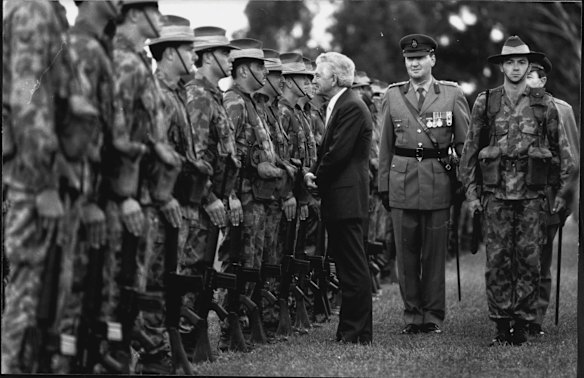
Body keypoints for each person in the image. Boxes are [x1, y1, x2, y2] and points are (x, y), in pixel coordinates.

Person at [2, 0, 98, 373]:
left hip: (49, 172)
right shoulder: (33, 11)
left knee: (48, 299)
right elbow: (25, 93)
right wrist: (44, 182)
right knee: (29, 301)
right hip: (34, 177)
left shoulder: (51, 13)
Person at [459, 36, 574, 346]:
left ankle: (521, 325)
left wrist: (561, 197)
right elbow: (470, 151)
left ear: (528, 65)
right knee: (496, 261)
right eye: (509, 62)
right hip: (495, 195)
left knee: (529, 260)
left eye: (521, 62)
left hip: (532, 196)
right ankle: (500, 325)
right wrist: (472, 195)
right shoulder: (486, 102)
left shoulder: (544, 103)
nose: (515, 67)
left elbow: (564, 155)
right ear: (501, 66)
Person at [104, 0, 183, 372]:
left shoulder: (137, 63)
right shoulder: (120, 62)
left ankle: (140, 358)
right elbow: (111, 137)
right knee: (116, 293)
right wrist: (123, 196)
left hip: (141, 195)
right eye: (154, 10)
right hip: (123, 198)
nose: (161, 18)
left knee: (132, 289)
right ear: (134, 14)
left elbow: (143, 135)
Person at [378, 34, 470, 335]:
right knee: (405, 255)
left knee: (433, 254)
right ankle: (412, 314)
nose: (414, 63)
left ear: (432, 59)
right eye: (409, 59)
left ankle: (432, 316)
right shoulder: (392, 96)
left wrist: (463, 182)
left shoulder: (452, 95)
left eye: (420, 58)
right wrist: (384, 185)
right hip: (402, 181)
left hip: (437, 181)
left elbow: (464, 146)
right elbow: (384, 147)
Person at [56, 0, 122, 373]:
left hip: (92, 193)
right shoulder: (73, 49)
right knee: (66, 297)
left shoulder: (99, 50)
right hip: (69, 195)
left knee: (89, 293)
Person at [305, 51, 373, 344]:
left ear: (335, 78)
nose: (314, 78)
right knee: (348, 267)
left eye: (319, 74)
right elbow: (332, 151)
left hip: (346, 199)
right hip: (343, 198)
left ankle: (356, 332)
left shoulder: (350, 106)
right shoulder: (343, 104)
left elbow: (338, 153)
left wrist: (315, 179)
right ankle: (351, 330)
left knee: (352, 267)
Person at [181, 25, 241, 351]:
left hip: (211, 203)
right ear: (205, 57)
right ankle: (180, 346)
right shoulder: (199, 97)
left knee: (201, 273)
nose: (229, 59)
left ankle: (191, 345)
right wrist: (209, 198)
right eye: (223, 53)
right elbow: (194, 157)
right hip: (198, 205)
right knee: (191, 273)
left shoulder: (214, 96)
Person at [220, 38, 283, 349]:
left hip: (258, 197)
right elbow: (226, 153)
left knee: (253, 264)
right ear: (244, 69)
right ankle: (231, 328)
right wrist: (230, 195)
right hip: (242, 196)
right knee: (240, 263)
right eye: (259, 66)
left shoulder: (253, 103)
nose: (264, 71)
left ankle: (243, 325)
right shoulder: (233, 102)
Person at [525, 53, 580, 337]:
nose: (526, 79)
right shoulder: (509, 107)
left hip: (547, 197)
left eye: (531, 74)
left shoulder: (562, 110)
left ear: (543, 79)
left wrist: (565, 200)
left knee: (541, 261)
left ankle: (535, 317)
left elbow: (572, 159)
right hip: (515, 195)